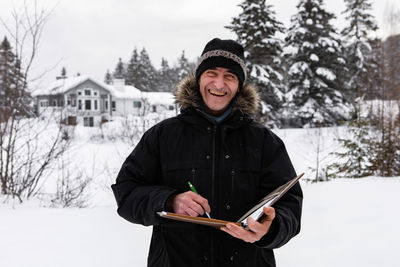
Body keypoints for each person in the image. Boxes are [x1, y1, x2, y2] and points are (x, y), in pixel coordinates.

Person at [111, 38, 303, 267]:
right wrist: (169, 200)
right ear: (199, 78)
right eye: (212, 73)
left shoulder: (264, 141)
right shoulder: (163, 135)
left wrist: (271, 228)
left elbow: (290, 203)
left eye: (230, 76)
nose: (219, 84)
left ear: (239, 85)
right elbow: (127, 193)